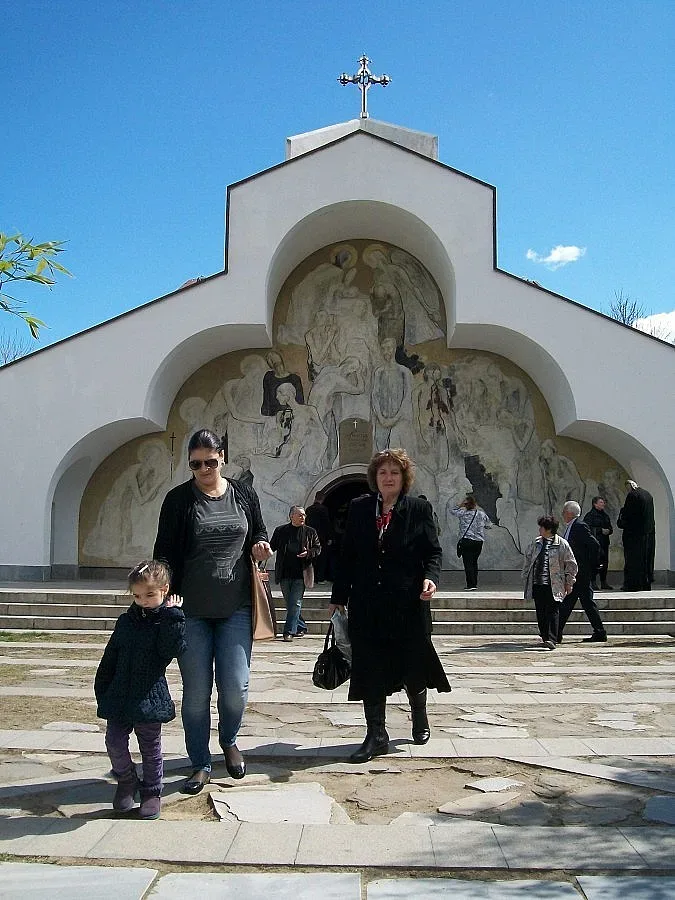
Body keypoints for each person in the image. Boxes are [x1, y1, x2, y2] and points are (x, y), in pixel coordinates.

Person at [153, 429, 272, 795]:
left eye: (209, 461)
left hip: (235, 606)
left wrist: (260, 545)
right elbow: (165, 553)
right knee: (196, 691)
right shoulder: (178, 500)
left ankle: (230, 741)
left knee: (235, 687)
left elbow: (258, 533)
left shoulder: (244, 493)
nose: (203, 469)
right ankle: (200, 762)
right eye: (195, 464)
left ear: (222, 457)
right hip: (192, 611)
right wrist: (159, 595)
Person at [329, 448, 451, 763]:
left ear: (403, 478)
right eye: (383, 473)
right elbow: (347, 556)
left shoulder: (418, 509)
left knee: (412, 665)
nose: (388, 478)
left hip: (408, 602)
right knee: (369, 667)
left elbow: (433, 552)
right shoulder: (359, 509)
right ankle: (376, 735)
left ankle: (419, 714)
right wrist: (338, 599)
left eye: (394, 473)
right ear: (375, 478)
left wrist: (431, 578)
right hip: (367, 604)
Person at [94, 560, 186, 819]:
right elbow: (111, 655)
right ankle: (126, 779)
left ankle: (152, 791)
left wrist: (174, 617)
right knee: (114, 741)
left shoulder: (167, 621)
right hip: (120, 694)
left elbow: (172, 650)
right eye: (137, 595)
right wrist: (102, 687)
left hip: (149, 695)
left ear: (164, 590)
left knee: (150, 746)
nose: (143, 600)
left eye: (149, 595)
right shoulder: (126, 621)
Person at [522, 516, 577, 650]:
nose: (539, 529)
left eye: (542, 527)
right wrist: (525, 576)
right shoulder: (536, 543)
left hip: (554, 584)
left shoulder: (562, 544)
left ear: (549, 529)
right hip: (538, 583)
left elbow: (571, 563)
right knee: (540, 611)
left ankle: (552, 638)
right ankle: (545, 636)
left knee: (553, 610)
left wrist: (569, 582)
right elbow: (528, 560)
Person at [558, 501, 606, 643]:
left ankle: (556, 632)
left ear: (569, 513)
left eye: (564, 512)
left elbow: (594, 544)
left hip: (581, 572)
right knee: (584, 602)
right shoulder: (572, 526)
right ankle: (599, 632)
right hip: (577, 572)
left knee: (569, 602)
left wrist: (591, 565)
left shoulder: (579, 526)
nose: (562, 515)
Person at [270, 506, 321, 641]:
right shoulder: (281, 531)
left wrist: (308, 553)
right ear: (291, 516)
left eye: (304, 515)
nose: (302, 517)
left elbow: (318, 548)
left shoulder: (310, 532)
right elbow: (272, 547)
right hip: (284, 573)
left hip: (301, 574)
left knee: (296, 603)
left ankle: (288, 632)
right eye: (299, 515)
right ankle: (301, 626)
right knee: (290, 603)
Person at [618, 480, 656, 591]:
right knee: (646, 560)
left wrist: (621, 521)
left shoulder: (633, 495)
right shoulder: (648, 495)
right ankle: (646, 583)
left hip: (634, 535)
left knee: (633, 560)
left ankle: (632, 585)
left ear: (630, 486)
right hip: (648, 534)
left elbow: (628, 515)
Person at [449, 496, 492, 590]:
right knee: (474, 562)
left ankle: (471, 585)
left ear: (466, 505)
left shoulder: (462, 513)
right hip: (478, 542)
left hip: (467, 541)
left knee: (468, 563)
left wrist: (460, 505)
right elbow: (489, 525)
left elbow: (452, 510)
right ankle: (474, 583)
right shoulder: (481, 514)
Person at [584, 496, 614, 590]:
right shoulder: (590, 516)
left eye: (603, 502)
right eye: (601, 502)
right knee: (594, 562)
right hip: (595, 543)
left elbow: (610, 528)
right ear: (595, 504)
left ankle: (603, 582)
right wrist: (600, 530)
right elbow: (587, 528)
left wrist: (609, 531)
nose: (603, 504)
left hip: (604, 542)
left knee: (604, 562)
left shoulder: (605, 515)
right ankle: (592, 582)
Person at [305, 492, 333, 582]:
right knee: (322, 558)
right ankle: (319, 578)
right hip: (321, 538)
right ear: (323, 499)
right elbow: (327, 524)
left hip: (310, 538)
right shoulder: (323, 509)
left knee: (312, 558)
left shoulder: (308, 510)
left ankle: (311, 578)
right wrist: (330, 537)